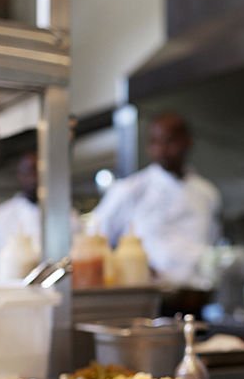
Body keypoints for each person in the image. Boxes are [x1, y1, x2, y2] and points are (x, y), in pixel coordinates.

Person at [92, 112, 220, 286]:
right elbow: (95, 238)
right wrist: (127, 266)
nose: (161, 148)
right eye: (155, 142)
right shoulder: (130, 189)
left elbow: (211, 246)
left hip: (196, 294)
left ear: (188, 142)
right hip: (148, 295)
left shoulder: (207, 193)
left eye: (169, 140)